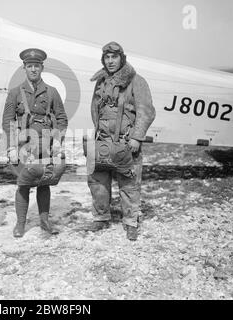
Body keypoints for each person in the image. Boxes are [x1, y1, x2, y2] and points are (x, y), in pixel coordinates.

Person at [84, 41, 155, 240]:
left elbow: (146, 111)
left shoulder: (137, 81)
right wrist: (100, 132)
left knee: (130, 184)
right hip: (103, 141)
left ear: (121, 58)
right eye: (107, 57)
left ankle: (131, 222)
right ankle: (101, 217)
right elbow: (94, 108)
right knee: (97, 181)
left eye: (114, 57)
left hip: (127, 143)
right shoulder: (101, 82)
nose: (110, 61)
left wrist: (137, 137)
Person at [2, 48, 68, 238]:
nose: (33, 69)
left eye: (36, 66)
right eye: (29, 66)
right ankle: (21, 224)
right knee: (23, 184)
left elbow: (62, 118)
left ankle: (44, 221)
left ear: (42, 68)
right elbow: (7, 121)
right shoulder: (15, 93)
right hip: (24, 147)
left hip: (46, 146)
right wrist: (11, 147)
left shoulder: (52, 92)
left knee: (44, 182)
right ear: (24, 68)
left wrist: (57, 140)